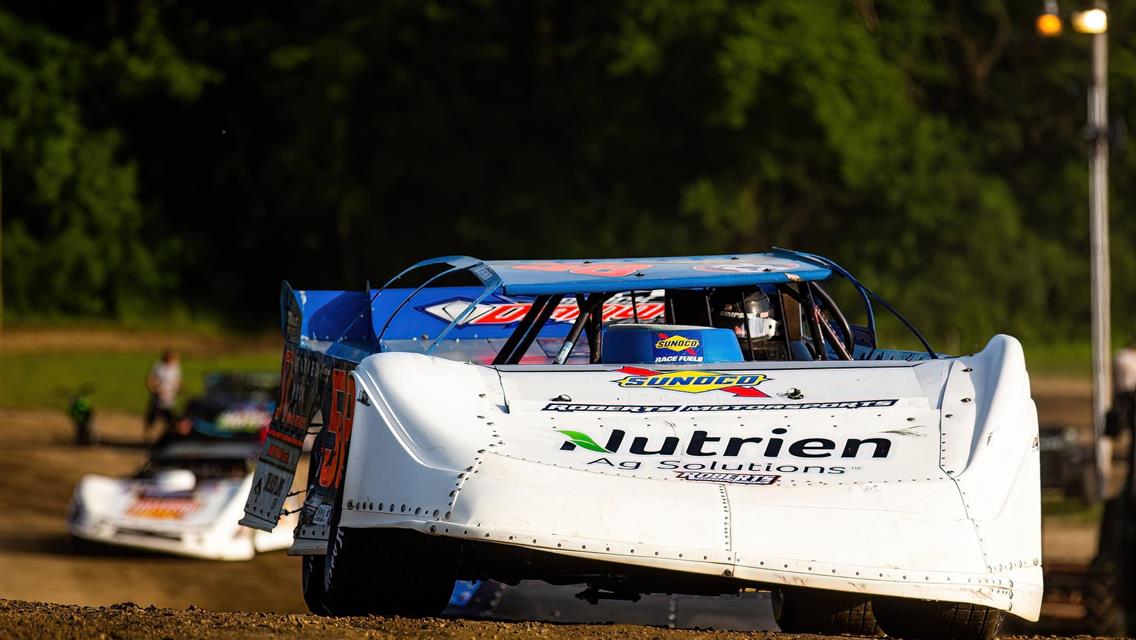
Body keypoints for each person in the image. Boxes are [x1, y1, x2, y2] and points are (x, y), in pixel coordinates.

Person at [144, 349, 181, 441]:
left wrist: (179, 387)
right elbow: (150, 380)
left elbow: (177, 381)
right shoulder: (158, 367)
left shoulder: (176, 367)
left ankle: (169, 437)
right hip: (157, 398)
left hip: (170, 399)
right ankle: (148, 436)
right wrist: (154, 390)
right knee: (153, 418)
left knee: (171, 420)